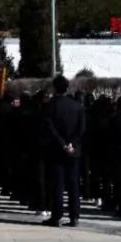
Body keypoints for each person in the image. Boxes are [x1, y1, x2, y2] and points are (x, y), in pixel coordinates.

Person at [42, 75, 84, 227]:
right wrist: (71, 144)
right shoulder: (77, 106)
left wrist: (62, 144)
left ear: (54, 88)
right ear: (67, 88)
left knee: (57, 185)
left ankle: (57, 216)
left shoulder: (50, 106)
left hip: (56, 150)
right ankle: (75, 216)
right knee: (73, 185)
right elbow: (81, 129)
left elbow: (50, 128)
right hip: (74, 150)